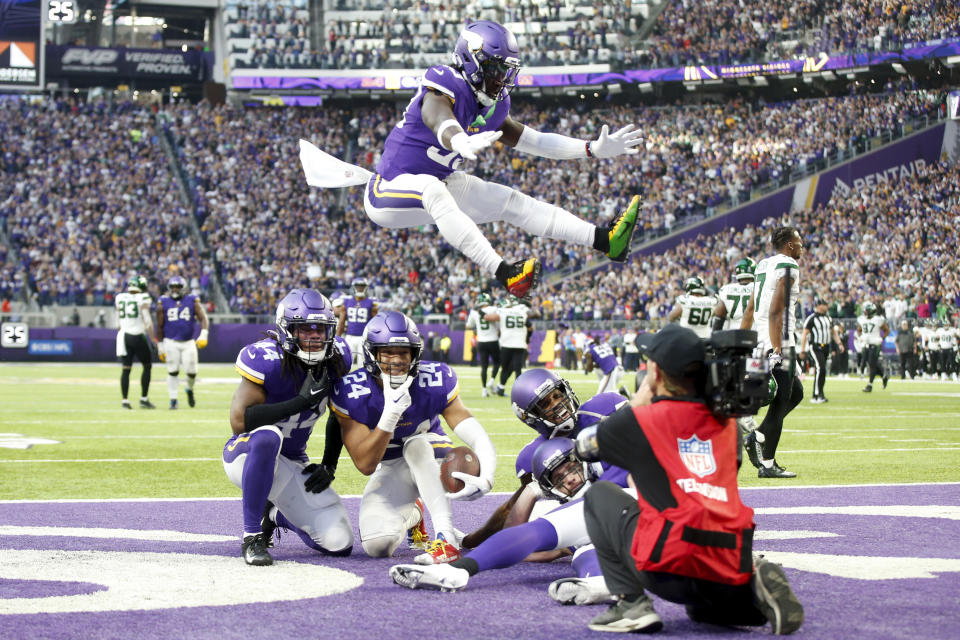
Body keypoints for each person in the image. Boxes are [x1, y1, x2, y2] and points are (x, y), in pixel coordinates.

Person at [299, 20, 643, 299]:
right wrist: (458, 138)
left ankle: (605, 240)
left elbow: (533, 140)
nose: (501, 79)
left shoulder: (495, 104)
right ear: (471, 60)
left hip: (438, 181)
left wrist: (590, 149)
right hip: (387, 190)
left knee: (511, 200)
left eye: (506, 71)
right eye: (494, 69)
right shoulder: (445, 81)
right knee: (433, 191)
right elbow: (437, 115)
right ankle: (506, 273)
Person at [573, 323, 804, 635]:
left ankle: (631, 605)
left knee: (599, 495)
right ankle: (752, 589)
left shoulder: (641, 420)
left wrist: (638, 401)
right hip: (728, 564)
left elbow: (585, 447)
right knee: (699, 611)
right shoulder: (727, 424)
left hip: (667, 568)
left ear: (656, 371)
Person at [389, 382, 632, 608]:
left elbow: (644, 457)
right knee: (567, 535)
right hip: (610, 516)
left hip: (651, 507)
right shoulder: (536, 457)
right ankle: (458, 571)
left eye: (557, 396)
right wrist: (531, 492)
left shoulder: (607, 425)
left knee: (568, 521)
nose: (569, 476)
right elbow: (526, 534)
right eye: (558, 475)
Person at [329, 310, 497, 563]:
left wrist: (487, 476)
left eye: (404, 352)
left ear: (415, 354)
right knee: (377, 545)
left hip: (432, 455)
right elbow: (365, 465)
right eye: (387, 352)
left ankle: (446, 538)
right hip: (389, 464)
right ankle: (416, 514)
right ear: (372, 354)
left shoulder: (433, 379)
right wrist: (391, 413)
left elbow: (473, 432)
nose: (397, 360)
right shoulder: (352, 391)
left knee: (416, 444)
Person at [224, 288, 353, 565]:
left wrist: (329, 464)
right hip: (247, 454)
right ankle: (252, 536)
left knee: (339, 542)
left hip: (293, 461)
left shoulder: (338, 358)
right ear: (287, 330)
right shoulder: (267, 360)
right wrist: (300, 402)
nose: (315, 336)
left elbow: (340, 415)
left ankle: (274, 514)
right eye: (306, 329)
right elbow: (239, 422)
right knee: (269, 435)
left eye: (321, 329)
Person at [740, 227, 804, 478]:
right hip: (779, 339)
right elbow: (777, 310)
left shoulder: (762, 265)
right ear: (789, 245)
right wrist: (778, 348)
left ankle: (756, 435)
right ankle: (767, 463)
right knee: (780, 403)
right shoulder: (789, 265)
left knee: (795, 393)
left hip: (762, 337)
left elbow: (751, 308)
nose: (801, 247)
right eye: (799, 243)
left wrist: (742, 343)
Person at [156, 275, 209, 409]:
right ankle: (173, 400)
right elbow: (160, 325)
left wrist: (204, 334)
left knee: (192, 372)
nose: (175, 289)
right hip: (170, 341)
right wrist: (160, 345)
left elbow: (203, 318)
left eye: (178, 287)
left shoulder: (192, 300)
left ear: (183, 288)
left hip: (188, 342)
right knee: (172, 371)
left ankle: (189, 389)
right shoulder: (163, 301)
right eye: (172, 287)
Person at [115, 275, 156, 410]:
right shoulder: (143, 298)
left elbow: (117, 322)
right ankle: (143, 398)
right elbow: (148, 321)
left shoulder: (120, 297)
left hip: (123, 336)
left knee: (126, 369)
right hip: (138, 336)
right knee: (147, 366)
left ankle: (125, 401)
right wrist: (153, 339)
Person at [799, 297, 844, 404]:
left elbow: (833, 332)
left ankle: (817, 395)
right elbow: (805, 334)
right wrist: (802, 349)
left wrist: (840, 344)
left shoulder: (828, 318)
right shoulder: (812, 318)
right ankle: (818, 395)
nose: (826, 306)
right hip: (815, 346)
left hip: (825, 347)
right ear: (818, 306)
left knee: (822, 370)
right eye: (824, 304)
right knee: (821, 368)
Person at [488, 297, 531, 396]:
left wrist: (479, 312)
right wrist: (527, 337)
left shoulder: (503, 312)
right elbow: (531, 323)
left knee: (505, 368)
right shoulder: (521, 312)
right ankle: (519, 391)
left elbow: (489, 317)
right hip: (519, 344)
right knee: (517, 369)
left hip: (506, 344)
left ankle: (501, 388)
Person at [334, 278, 378, 370]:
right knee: (345, 363)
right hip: (349, 337)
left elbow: (375, 323)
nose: (360, 289)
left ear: (366, 288)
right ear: (354, 288)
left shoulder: (371, 303)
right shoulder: (347, 301)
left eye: (362, 287)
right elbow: (342, 322)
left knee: (362, 365)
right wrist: (337, 338)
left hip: (364, 338)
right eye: (358, 287)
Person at [465, 292, 501, 397]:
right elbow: (499, 325)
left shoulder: (474, 312)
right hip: (493, 340)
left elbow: (468, 326)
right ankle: (492, 380)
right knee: (497, 363)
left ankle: (484, 390)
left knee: (484, 367)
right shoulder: (494, 309)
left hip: (481, 341)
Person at [712, 258, 756, 332]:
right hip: (755, 331)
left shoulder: (727, 289)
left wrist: (714, 337)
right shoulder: (759, 287)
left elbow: (720, 312)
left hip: (734, 334)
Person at [857, 301, 889, 392]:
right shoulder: (862, 319)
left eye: (867, 311)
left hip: (875, 343)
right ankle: (883, 375)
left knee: (872, 363)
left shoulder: (878, 320)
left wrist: (881, 338)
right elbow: (859, 330)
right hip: (866, 343)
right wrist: (861, 337)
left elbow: (887, 330)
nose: (865, 312)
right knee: (871, 363)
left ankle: (870, 385)